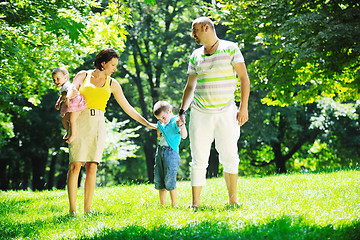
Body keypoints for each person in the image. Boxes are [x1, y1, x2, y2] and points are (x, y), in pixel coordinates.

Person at [67, 48, 157, 216]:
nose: (115, 68)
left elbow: (128, 108)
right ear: (103, 63)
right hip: (80, 120)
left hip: (98, 123)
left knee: (92, 166)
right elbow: (71, 92)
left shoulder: (112, 83)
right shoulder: (83, 75)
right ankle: (73, 210)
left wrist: (147, 123)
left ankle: (87, 210)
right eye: (113, 65)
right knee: (75, 165)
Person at [177, 17, 250, 208]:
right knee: (198, 158)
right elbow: (190, 86)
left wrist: (243, 107)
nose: (193, 35)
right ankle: (195, 204)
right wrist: (182, 111)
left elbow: (244, 78)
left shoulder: (230, 48)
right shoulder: (195, 55)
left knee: (230, 155)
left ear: (206, 28)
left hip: (227, 111)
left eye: (195, 31)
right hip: (200, 113)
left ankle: (233, 200)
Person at [153, 101, 187, 207]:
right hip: (160, 152)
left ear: (170, 111)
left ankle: (174, 204)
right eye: (159, 119)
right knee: (159, 179)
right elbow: (160, 133)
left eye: (163, 117)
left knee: (170, 178)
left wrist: (182, 125)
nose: (162, 120)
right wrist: (159, 130)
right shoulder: (163, 124)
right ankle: (162, 204)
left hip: (171, 154)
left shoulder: (175, 122)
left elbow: (184, 136)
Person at [52, 67, 87, 144]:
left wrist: (67, 98)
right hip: (69, 104)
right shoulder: (62, 87)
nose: (56, 81)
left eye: (58, 79)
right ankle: (68, 131)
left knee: (72, 119)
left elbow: (70, 90)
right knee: (64, 119)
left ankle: (73, 135)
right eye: (54, 80)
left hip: (76, 103)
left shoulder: (67, 85)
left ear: (65, 78)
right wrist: (58, 102)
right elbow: (61, 96)